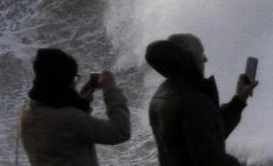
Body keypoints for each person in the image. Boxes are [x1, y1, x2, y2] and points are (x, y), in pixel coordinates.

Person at [146, 33, 258, 166]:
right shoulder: (191, 100)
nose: (205, 59)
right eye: (200, 51)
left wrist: (239, 100)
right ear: (187, 55)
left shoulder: (163, 93)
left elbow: (210, 132)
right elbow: (209, 160)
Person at [19, 48, 130, 166]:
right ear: (63, 81)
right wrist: (110, 89)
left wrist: (80, 104)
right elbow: (120, 131)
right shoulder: (70, 119)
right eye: (73, 78)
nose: (74, 83)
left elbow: (64, 140)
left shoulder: (27, 113)